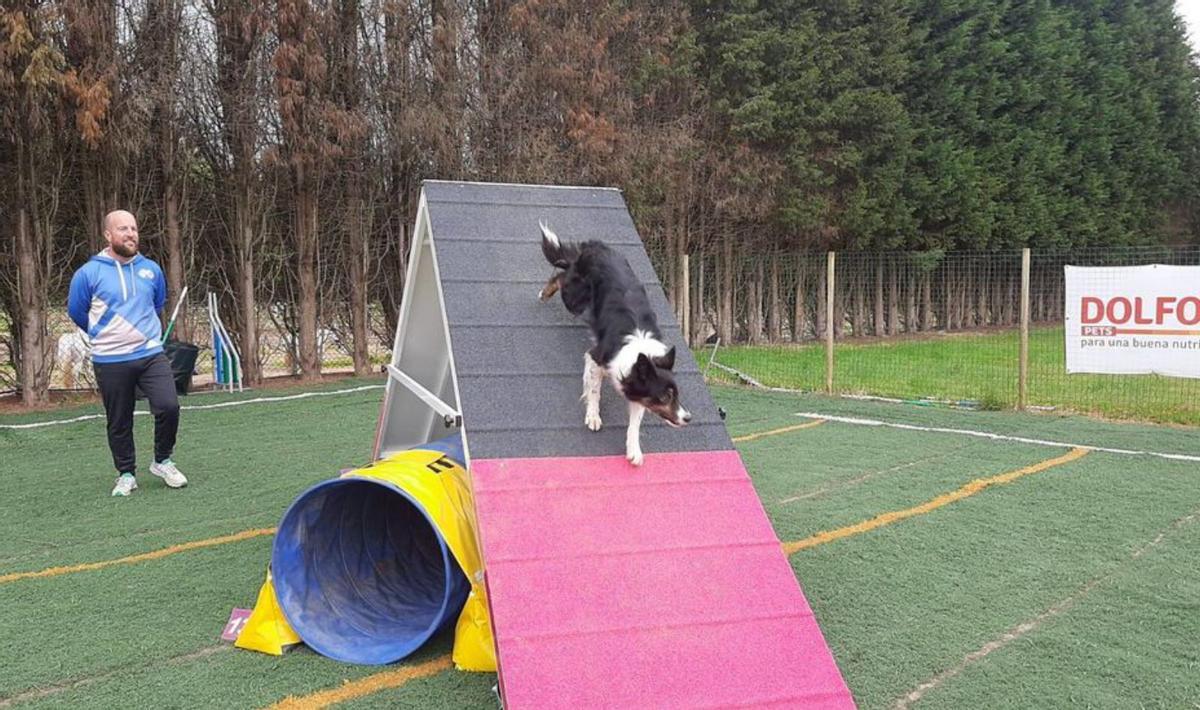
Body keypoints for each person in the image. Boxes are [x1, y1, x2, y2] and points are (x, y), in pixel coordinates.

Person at [67, 210, 188, 497]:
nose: (130, 234)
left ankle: (162, 461)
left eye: (133, 228)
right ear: (108, 235)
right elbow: (77, 312)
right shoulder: (88, 273)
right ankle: (126, 474)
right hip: (110, 359)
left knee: (169, 406)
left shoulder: (152, 270)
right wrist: (104, 335)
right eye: (123, 229)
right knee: (119, 420)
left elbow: (157, 303)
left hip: (150, 354)